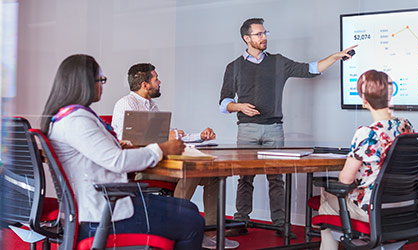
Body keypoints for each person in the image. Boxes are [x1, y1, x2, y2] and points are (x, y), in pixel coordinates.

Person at [40, 54, 204, 250]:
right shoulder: (76, 120)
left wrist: (118, 146)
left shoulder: (66, 116)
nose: (102, 85)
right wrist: (162, 148)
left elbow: (101, 154)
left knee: (189, 209)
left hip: (98, 206)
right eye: (101, 80)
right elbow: (117, 162)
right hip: (101, 214)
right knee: (192, 222)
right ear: (84, 83)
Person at [219, 18, 357, 238]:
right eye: (259, 34)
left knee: (276, 177)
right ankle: (240, 220)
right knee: (245, 177)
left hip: (274, 129)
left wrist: (333, 57)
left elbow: (310, 69)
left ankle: (280, 224)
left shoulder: (278, 62)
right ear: (247, 38)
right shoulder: (233, 66)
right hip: (247, 129)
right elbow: (224, 103)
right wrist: (239, 107)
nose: (264, 37)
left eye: (265, 33)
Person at [112, 63, 238, 249]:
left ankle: (210, 235)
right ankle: (177, 227)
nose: (159, 81)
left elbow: (170, 135)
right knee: (191, 171)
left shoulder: (151, 106)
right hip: (144, 167)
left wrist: (199, 136)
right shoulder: (126, 104)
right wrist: (163, 138)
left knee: (213, 175)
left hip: (161, 163)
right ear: (145, 84)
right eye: (156, 78)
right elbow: (125, 140)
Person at [318, 70, 414, 250]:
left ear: (364, 101)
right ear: (390, 95)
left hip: (372, 209)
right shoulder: (406, 125)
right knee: (331, 195)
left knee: (325, 204)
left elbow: (345, 179)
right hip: (403, 206)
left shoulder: (367, 133)